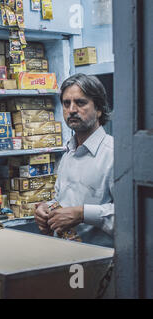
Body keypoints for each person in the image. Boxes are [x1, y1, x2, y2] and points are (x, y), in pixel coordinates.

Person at [34, 73, 114, 248]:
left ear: (99, 109)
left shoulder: (113, 154)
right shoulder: (69, 153)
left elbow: (133, 215)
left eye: (80, 102)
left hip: (102, 261)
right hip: (65, 254)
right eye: (66, 103)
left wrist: (82, 214)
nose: (72, 110)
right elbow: (62, 200)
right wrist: (46, 209)